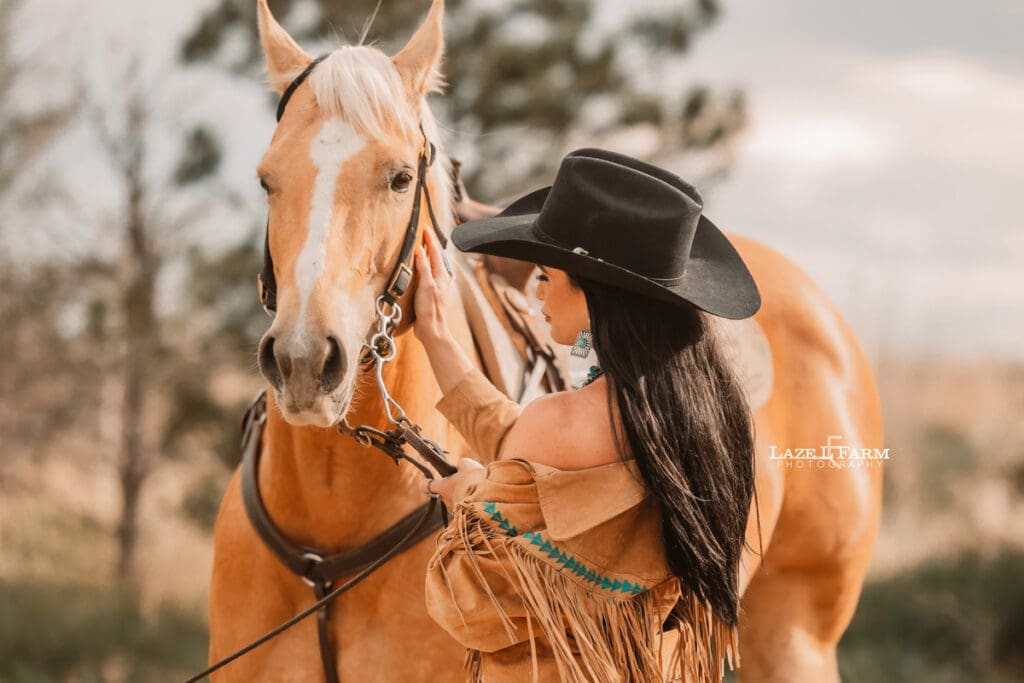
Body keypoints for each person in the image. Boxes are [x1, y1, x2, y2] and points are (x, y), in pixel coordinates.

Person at [411, 148, 761, 683]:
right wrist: (438, 339)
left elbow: (475, 597)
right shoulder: (698, 417)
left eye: (548, 274)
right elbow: (525, 445)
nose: (537, 289)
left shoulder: (558, 420)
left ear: (596, 295)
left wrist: (469, 497)